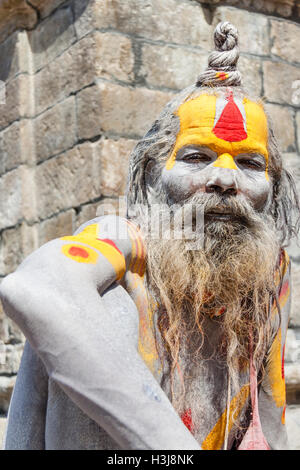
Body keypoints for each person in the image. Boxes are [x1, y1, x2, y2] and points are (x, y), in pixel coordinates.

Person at [0, 22, 299, 450]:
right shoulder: (127, 242)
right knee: (100, 305)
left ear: (272, 186)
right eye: (197, 157)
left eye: (250, 164)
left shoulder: (270, 270)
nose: (225, 179)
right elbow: (36, 287)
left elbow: (270, 420)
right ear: (154, 174)